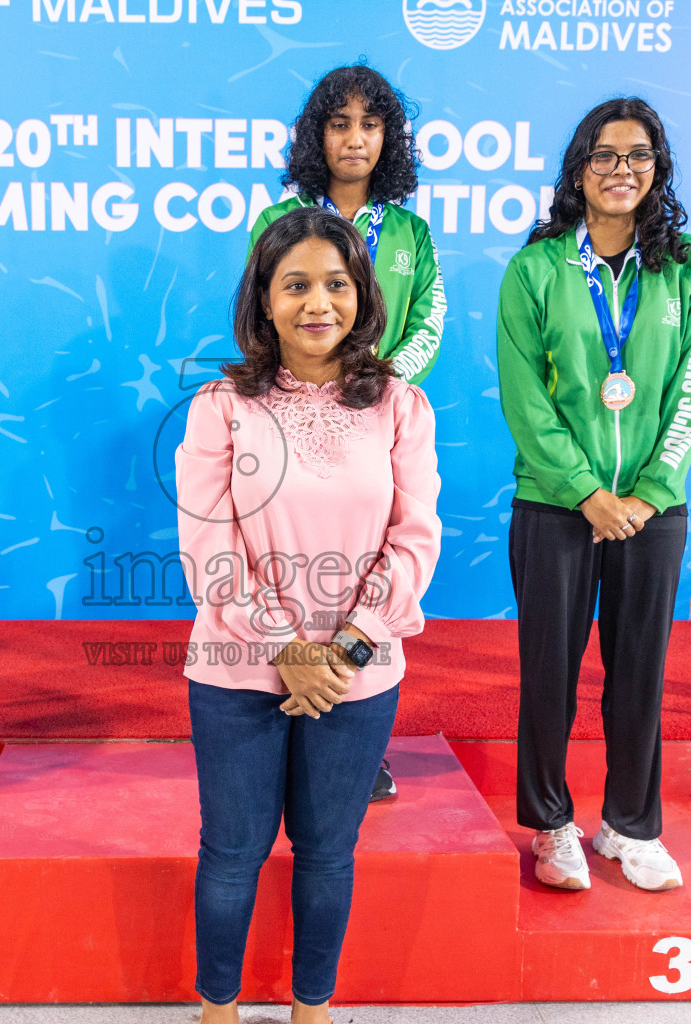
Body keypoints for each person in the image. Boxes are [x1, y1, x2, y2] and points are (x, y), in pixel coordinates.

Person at [178, 205, 441, 1023]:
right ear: (264, 301)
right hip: (236, 667)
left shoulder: (400, 406)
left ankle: (313, 1009)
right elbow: (208, 545)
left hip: (357, 678)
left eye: (335, 283)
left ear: (362, 295)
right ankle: (216, 1009)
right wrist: (287, 645)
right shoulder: (222, 406)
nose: (316, 302)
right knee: (233, 853)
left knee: (328, 854)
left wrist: (345, 653)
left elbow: (416, 537)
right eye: (294, 285)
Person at [496, 98, 691, 892]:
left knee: (640, 672)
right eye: (604, 155)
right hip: (555, 505)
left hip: (653, 511)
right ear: (578, 168)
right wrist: (587, 491)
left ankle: (629, 825)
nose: (621, 170)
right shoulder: (535, 267)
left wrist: (651, 490)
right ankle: (551, 824)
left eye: (638, 155)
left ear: (658, 169)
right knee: (548, 672)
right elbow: (525, 400)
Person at [250, 61, 445, 801]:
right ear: (316, 136)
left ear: (388, 137)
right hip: (293, 420)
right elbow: (262, 316)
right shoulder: (277, 224)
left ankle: (360, 736)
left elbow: (430, 319)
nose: (355, 139)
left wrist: (377, 382)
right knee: (289, 574)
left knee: (375, 576)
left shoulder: (411, 234)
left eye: (370, 124)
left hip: (378, 427)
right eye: (339, 123)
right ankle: (282, 711)